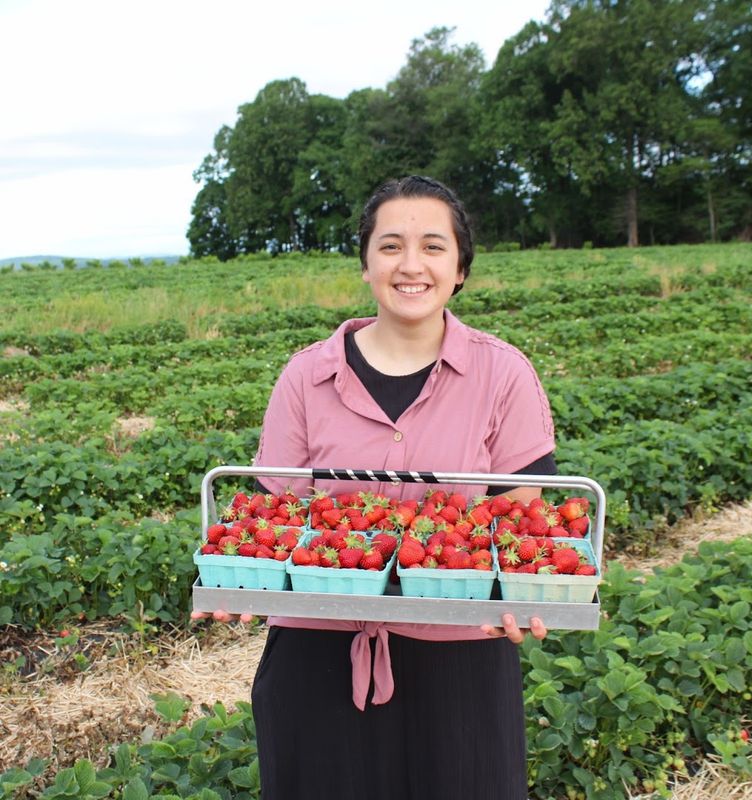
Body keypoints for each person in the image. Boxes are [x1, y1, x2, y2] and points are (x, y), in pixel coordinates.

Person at [196, 176, 557, 800]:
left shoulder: (504, 375)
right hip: (316, 658)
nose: (410, 265)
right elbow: (272, 515)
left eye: (433, 247)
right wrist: (238, 576)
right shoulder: (307, 376)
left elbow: (525, 525)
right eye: (390, 246)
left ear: (461, 268)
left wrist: (527, 595)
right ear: (366, 263)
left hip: (459, 665)